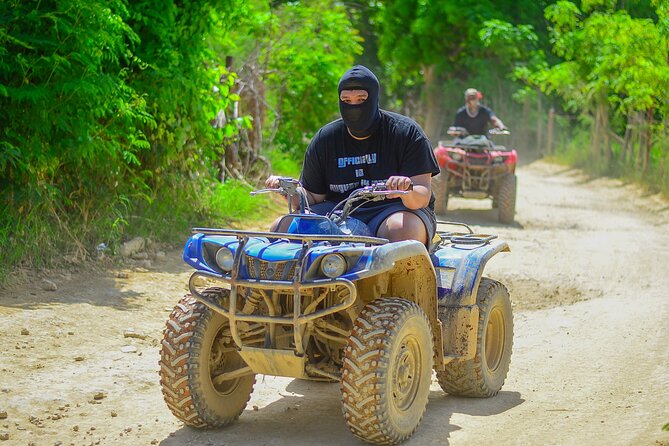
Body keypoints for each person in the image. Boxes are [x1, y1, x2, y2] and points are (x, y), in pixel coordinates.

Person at [266, 65, 440, 246]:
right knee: (282, 226)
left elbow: (422, 195)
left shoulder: (405, 132)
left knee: (402, 231)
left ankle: (398, 273)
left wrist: (406, 189)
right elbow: (312, 198)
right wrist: (288, 189)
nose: (354, 106)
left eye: (361, 99)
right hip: (338, 212)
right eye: (346, 100)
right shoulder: (326, 139)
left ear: (373, 98)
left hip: (393, 210)